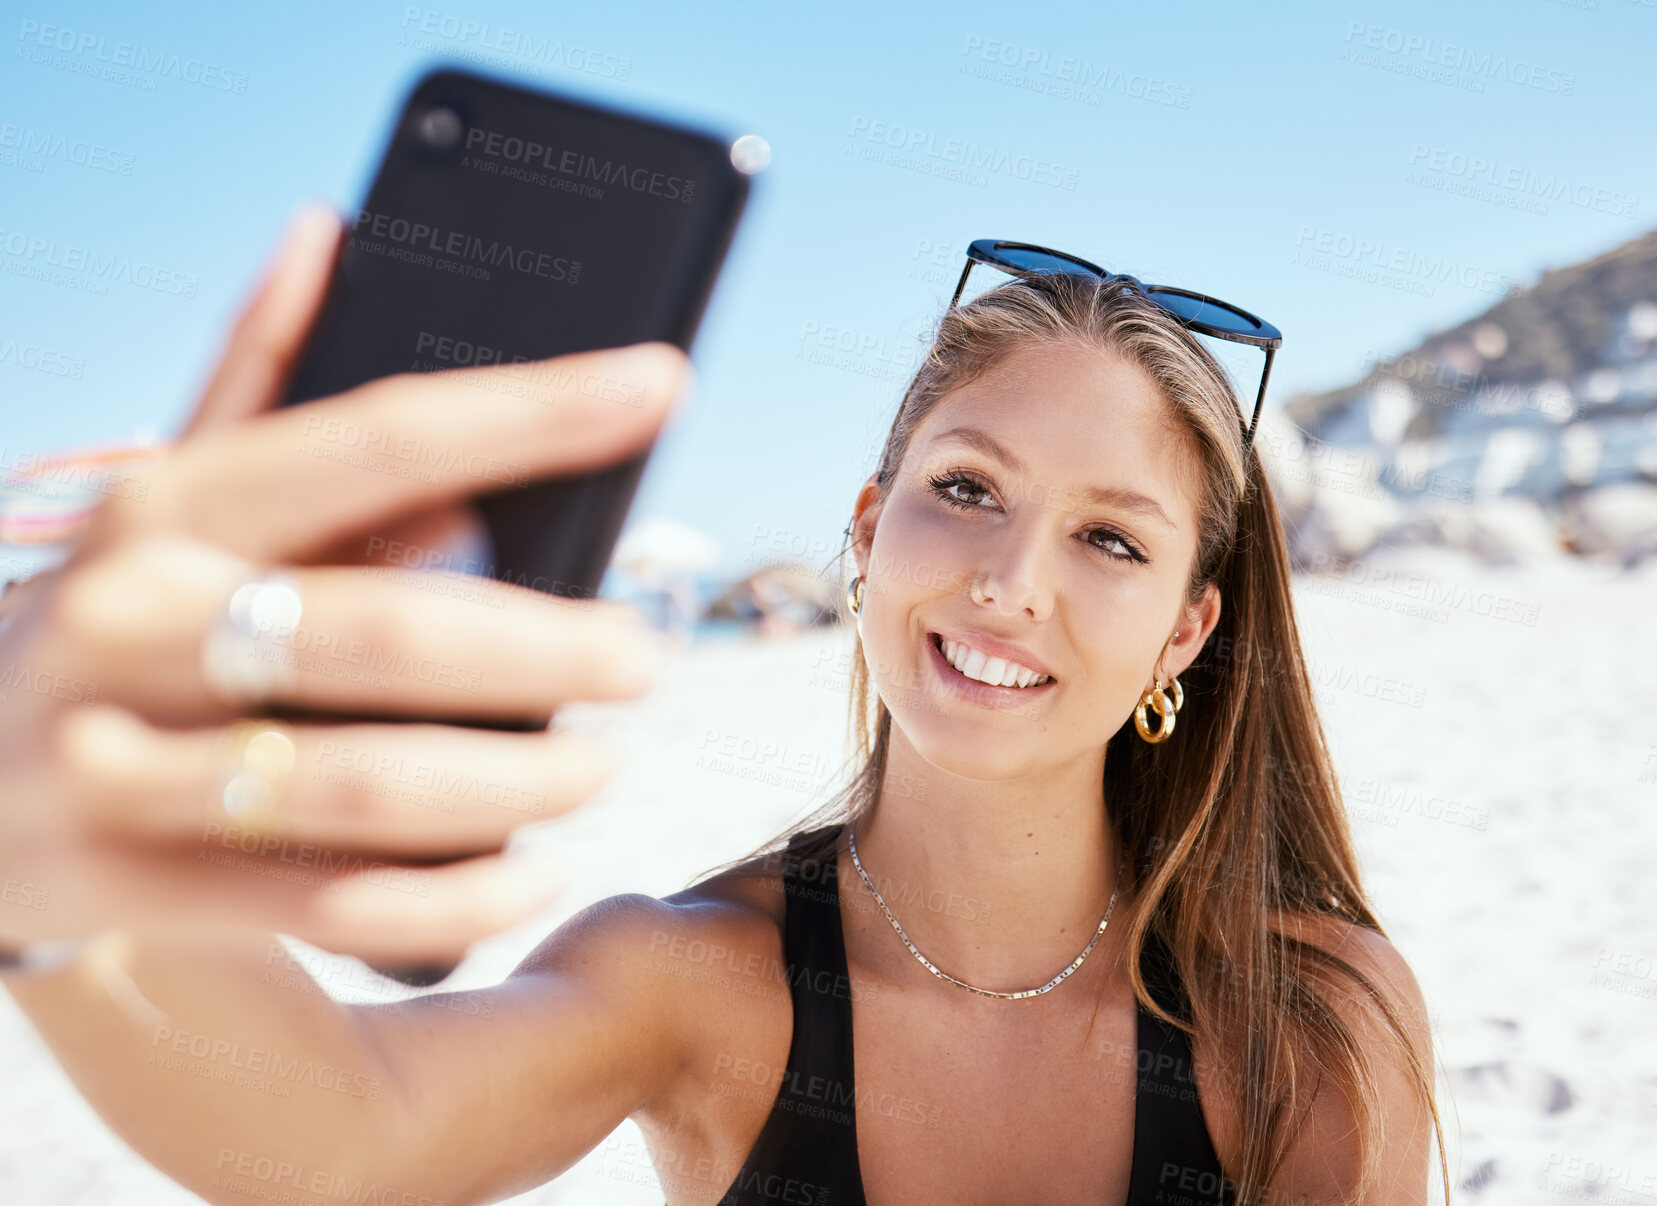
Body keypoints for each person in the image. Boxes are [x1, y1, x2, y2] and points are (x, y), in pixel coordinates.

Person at [0, 206, 1448, 1206]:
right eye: (966, 490)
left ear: (1187, 628)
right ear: (869, 527)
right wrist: (46, 868)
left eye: (1109, 539)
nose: (1011, 581)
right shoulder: (698, 978)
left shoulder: (1298, 1016)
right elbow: (338, 1128)